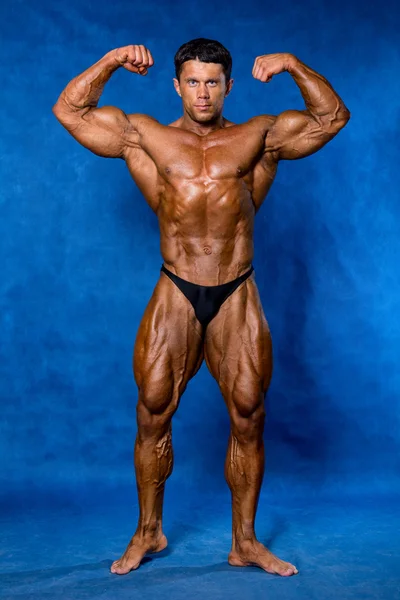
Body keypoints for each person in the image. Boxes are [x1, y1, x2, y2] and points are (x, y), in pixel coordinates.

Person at [53, 38, 350, 577]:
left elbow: (331, 117)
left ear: (228, 85)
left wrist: (292, 64)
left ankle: (245, 543)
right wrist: (112, 61)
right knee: (152, 410)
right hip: (177, 287)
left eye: (212, 81)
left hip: (236, 287)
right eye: (192, 81)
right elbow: (69, 110)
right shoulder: (147, 136)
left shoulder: (258, 135)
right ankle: (149, 531)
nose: (203, 92)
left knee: (248, 414)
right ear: (177, 85)